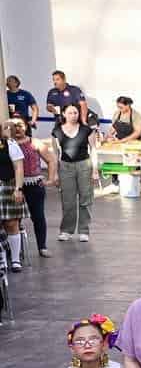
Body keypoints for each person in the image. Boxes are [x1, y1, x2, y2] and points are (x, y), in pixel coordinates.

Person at [6, 119, 54, 260]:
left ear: (26, 126)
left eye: (20, 125)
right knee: (14, 219)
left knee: (38, 216)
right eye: (14, 126)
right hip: (14, 185)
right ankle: (15, 250)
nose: (18, 129)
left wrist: (50, 178)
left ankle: (42, 247)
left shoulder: (35, 142)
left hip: (34, 184)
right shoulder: (7, 144)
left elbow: (51, 160)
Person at [51, 103, 97, 243]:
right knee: (68, 200)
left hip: (84, 165)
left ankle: (84, 230)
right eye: (70, 113)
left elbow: (93, 149)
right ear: (64, 114)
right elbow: (55, 153)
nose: (73, 115)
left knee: (85, 198)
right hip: (65, 166)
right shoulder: (57, 131)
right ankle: (66, 230)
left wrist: (94, 170)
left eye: (76, 113)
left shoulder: (86, 130)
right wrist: (54, 173)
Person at [0, 122, 28, 270]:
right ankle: (2, 260)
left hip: (8, 187)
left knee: (11, 224)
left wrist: (18, 188)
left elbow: (18, 167)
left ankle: (15, 260)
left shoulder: (9, 144)